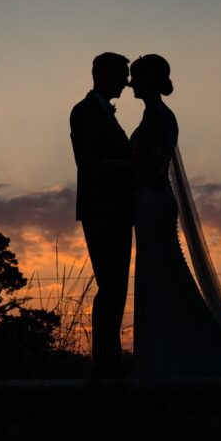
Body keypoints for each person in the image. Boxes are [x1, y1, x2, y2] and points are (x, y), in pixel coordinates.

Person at [129, 53, 221, 377]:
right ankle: (167, 357)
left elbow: (150, 168)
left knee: (163, 277)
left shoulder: (158, 117)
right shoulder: (155, 115)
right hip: (149, 202)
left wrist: (123, 174)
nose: (130, 84)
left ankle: (172, 361)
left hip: (153, 201)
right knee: (160, 278)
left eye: (135, 78)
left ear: (147, 81)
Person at [69, 52, 133, 379]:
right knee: (111, 286)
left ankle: (109, 363)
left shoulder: (103, 113)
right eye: (122, 74)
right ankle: (106, 364)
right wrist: (134, 167)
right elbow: (90, 164)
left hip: (117, 211)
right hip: (102, 210)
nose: (127, 81)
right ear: (104, 74)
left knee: (116, 287)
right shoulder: (84, 113)